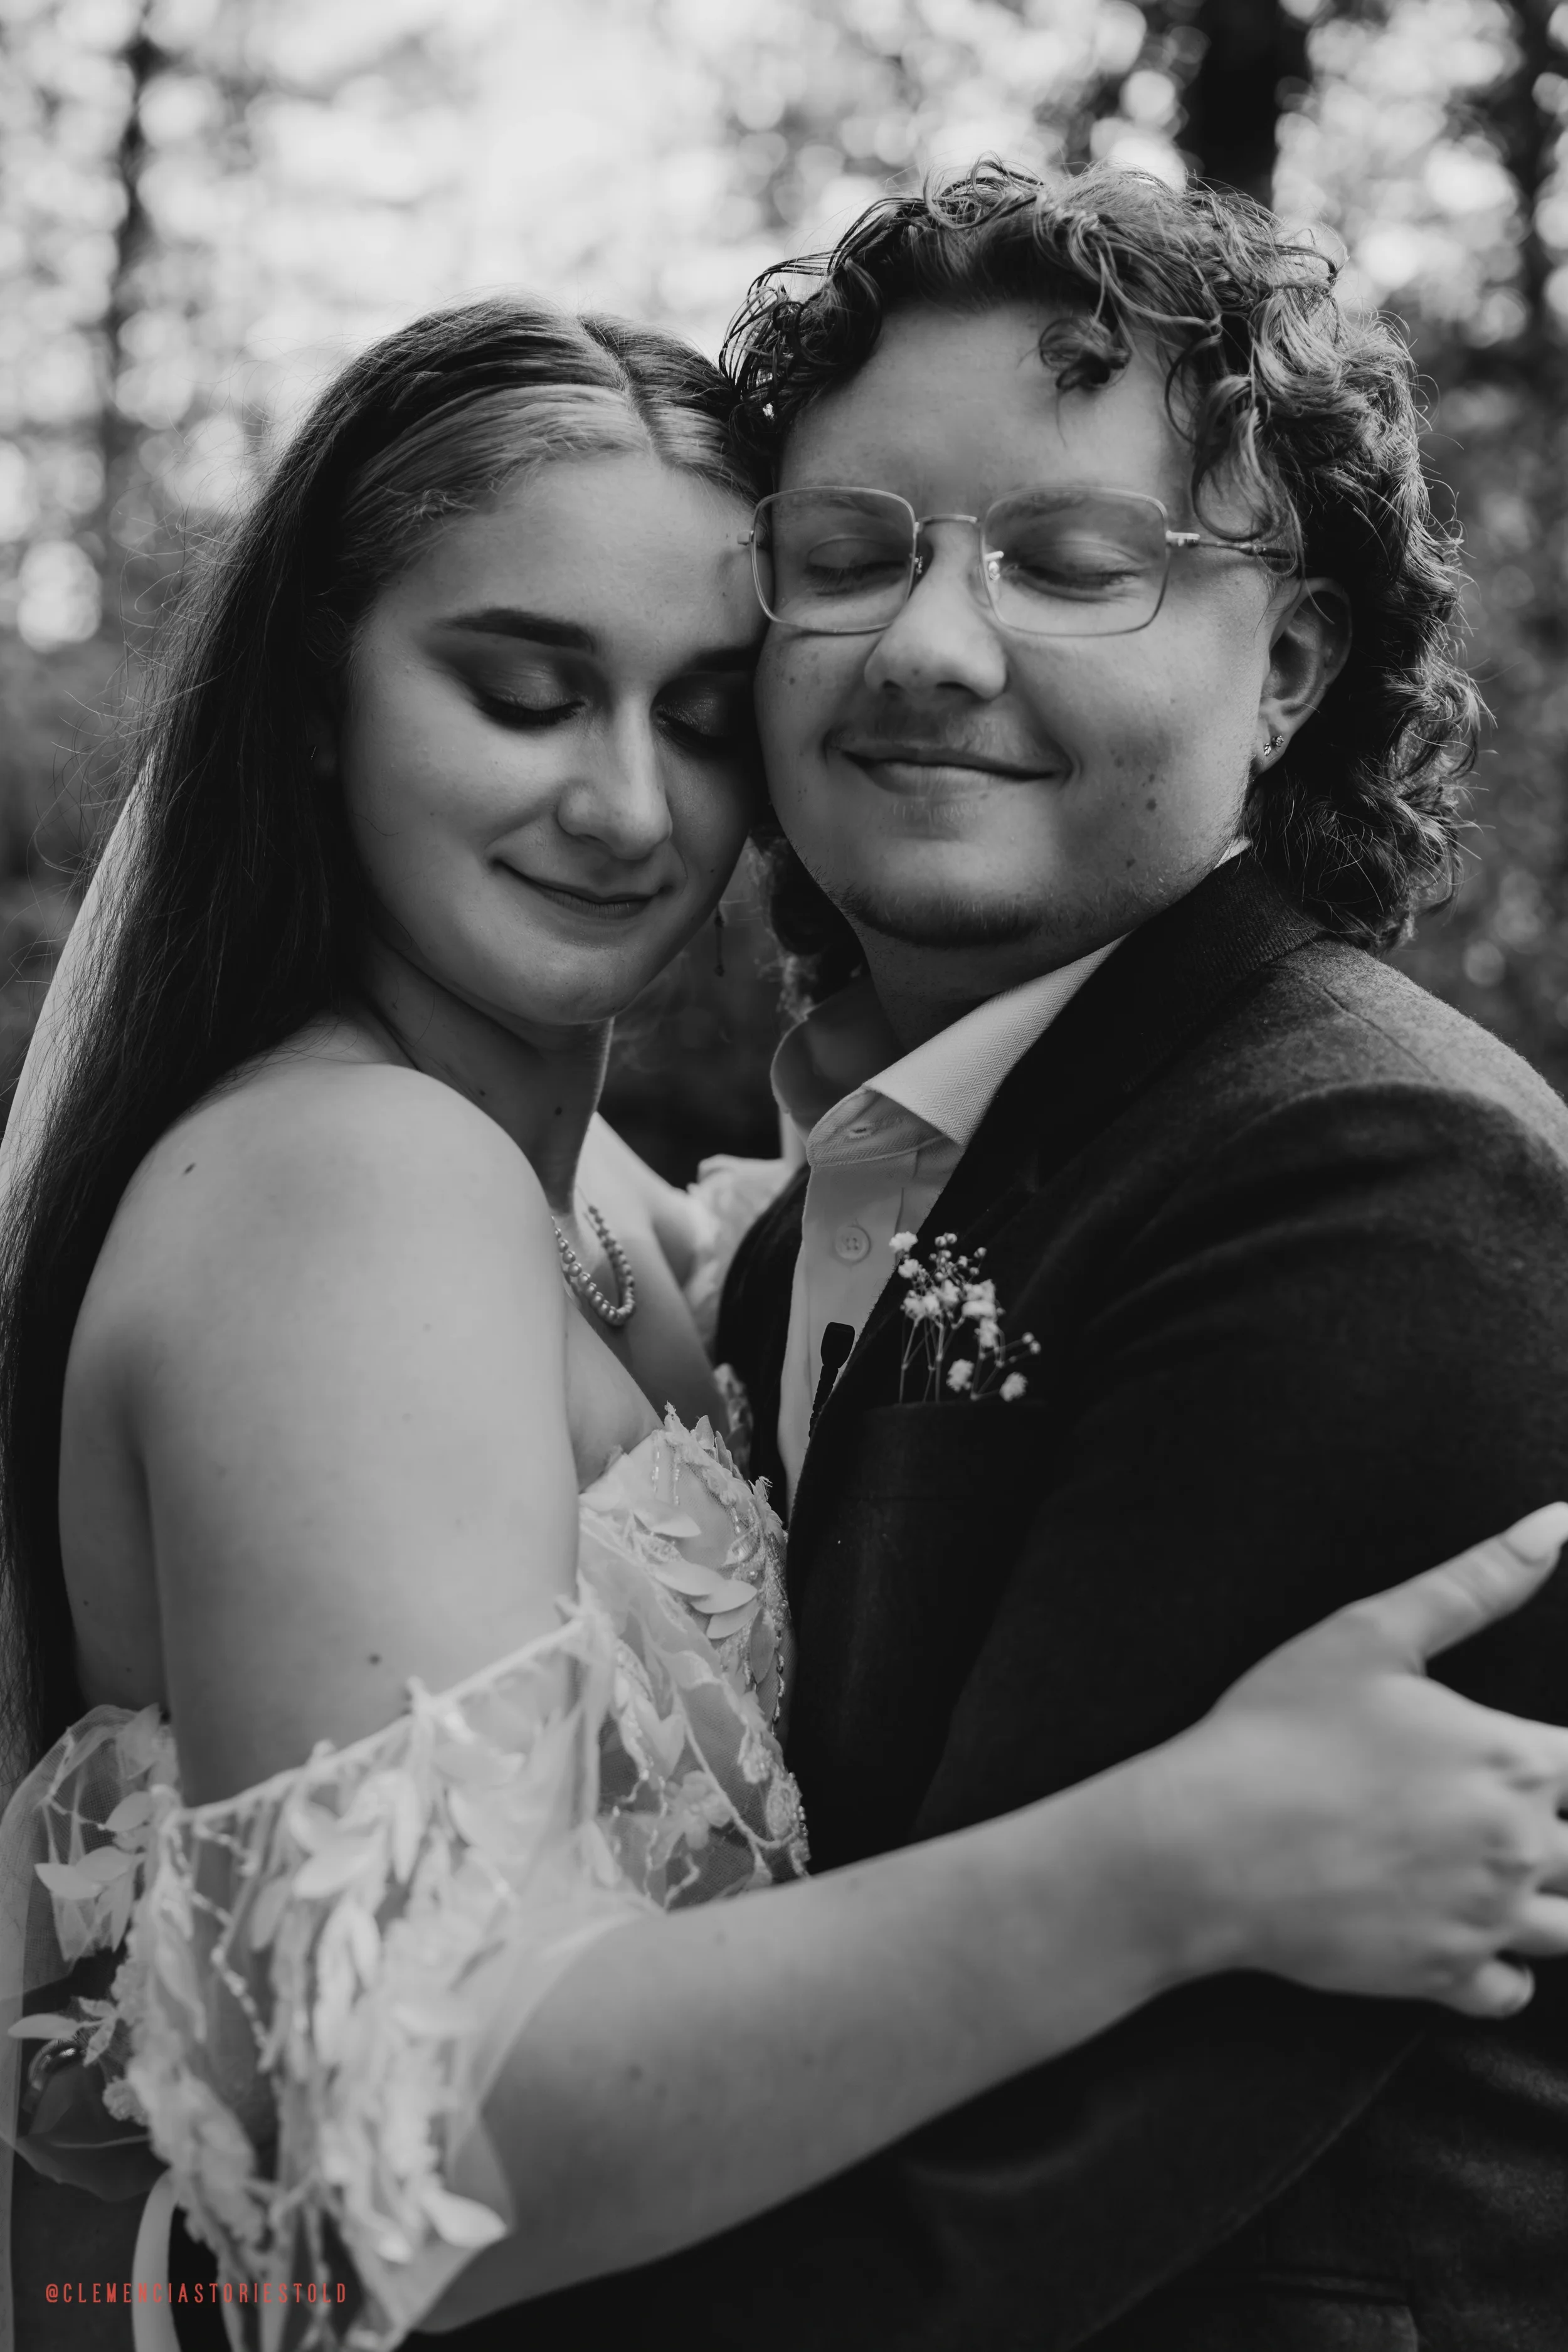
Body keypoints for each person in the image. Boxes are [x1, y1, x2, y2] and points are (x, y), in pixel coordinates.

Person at [0, 279, 1565, 2352]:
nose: (627, 809)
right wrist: (1169, 1860)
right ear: (314, 699)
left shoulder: (635, 1218)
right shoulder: (348, 1179)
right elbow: (401, 2138)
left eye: (701, 715)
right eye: (521, 692)